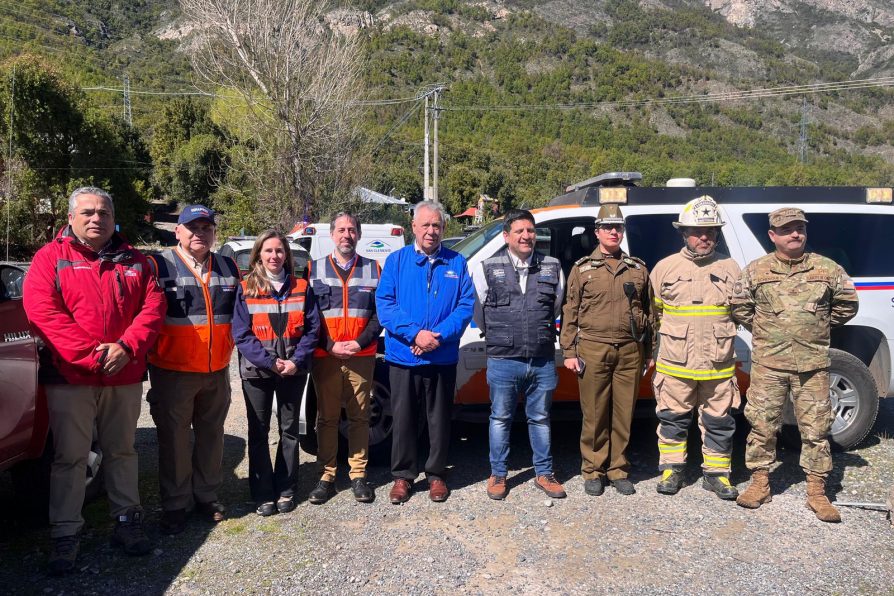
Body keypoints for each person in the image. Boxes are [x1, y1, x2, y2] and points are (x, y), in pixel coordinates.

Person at [23, 187, 165, 574]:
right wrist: (94, 356)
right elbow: (42, 312)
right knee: (70, 457)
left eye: (104, 212)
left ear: (113, 218)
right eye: (87, 212)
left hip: (124, 374)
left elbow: (153, 307)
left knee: (122, 451)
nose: (96, 218)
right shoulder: (50, 258)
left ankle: (127, 521)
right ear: (71, 217)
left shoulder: (136, 260)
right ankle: (65, 532)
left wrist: (127, 347)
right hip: (70, 378)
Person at [731, 207, 858, 522]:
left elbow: (847, 305)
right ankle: (760, 483)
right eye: (787, 229)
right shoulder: (756, 270)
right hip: (769, 364)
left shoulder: (827, 269)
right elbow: (740, 307)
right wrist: (768, 331)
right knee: (762, 425)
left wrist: (815, 326)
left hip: (811, 365)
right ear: (772, 235)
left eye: (799, 228)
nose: (795, 234)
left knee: (816, 428)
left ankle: (817, 491)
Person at [146, 204, 241, 534]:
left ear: (214, 232)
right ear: (178, 231)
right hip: (173, 370)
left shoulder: (228, 266)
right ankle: (175, 504)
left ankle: (206, 496)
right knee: (174, 440)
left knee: (211, 436)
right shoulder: (158, 265)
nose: (200, 233)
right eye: (192, 227)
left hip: (217, 370)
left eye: (206, 228)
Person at [377, 201, 475, 504]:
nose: (431, 230)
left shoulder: (457, 263)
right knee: (404, 419)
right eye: (426, 225)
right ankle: (403, 476)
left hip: (441, 356)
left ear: (444, 228)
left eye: (437, 225)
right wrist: (415, 334)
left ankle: (436, 474)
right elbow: (385, 305)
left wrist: (438, 336)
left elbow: (465, 306)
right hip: (404, 356)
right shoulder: (396, 261)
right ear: (414, 227)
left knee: (439, 420)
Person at [649, 196, 742, 500]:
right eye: (698, 232)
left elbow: (742, 312)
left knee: (720, 422)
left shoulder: (731, 268)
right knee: (672, 419)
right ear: (684, 233)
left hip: (718, 365)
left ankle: (717, 474)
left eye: (711, 232)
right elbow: (653, 314)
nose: (704, 237)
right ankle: (672, 470)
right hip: (675, 364)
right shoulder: (664, 268)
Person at [471, 209, 566, 500]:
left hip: (541, 357)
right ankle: (498, 474)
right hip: (503, 358)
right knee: (500, 418)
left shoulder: (552, 266)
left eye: (531, 231)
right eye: (520, 231)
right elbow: (479, 312)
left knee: (540, 418)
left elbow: (556, 306)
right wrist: (503, 335)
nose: (526, 236)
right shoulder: (487, 268)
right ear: (506, 236)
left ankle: (544, 473)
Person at [560, 204, 653, 496]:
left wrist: (649, 352)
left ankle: (618, 469)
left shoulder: (638, 269)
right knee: (595, 414)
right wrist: (569, 352)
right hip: (593, 348)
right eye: (608, 227)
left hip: (629, 350)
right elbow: (570, 311)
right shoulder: (582, 269)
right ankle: (593, 470)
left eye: (618, 227)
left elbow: (649, 314)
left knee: (624, 415)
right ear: (597, 232)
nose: (614, 232)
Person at [232, 230, 319, 516]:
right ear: (259, 254)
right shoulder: (246, 288)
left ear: (287, 255)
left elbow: (313, 329)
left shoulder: (302, 287)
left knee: (289, 430)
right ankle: (262, 493)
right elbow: (241, 334)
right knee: (258, 431)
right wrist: (270, 362)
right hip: (257, 372)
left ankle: (286, 489)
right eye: (268, 250)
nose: (274, 256)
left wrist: (296, 361)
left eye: (279, 251)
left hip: (293, 370)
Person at [307, 213, 382, 505]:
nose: (346, 235)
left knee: (360, 417)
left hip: (360, 355)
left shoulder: (373, 268)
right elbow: (309, 316)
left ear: (359, 235)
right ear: (331, 234)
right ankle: (326, 476)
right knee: (326, 418)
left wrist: (359, 342)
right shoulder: (314, 269)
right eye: (341, 230)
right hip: (325, 356)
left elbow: (379, 314)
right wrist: (329, 345)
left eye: (351, 230)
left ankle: (358, 475)